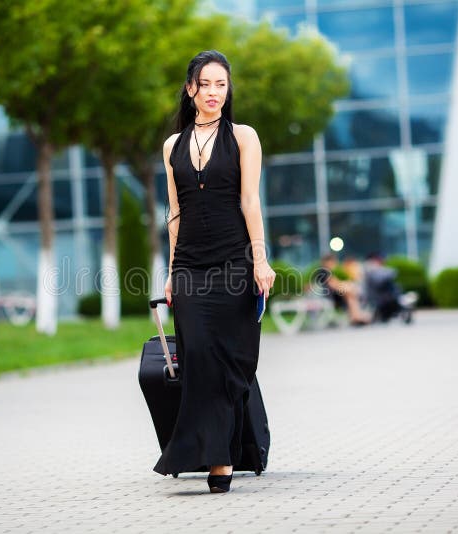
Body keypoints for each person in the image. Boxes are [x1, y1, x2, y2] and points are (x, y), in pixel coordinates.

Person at [153, 50, 276, 493]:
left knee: (230, 361)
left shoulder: (244, 137)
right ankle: (215, 458)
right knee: (201, 358)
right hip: (190, 267)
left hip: (234, 263)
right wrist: (170, 272)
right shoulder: (173, 146)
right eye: (205, 84)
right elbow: (175, 212)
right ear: (190, 89)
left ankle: (229, 450)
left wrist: (260, 259)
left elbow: (250, 202)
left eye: (220, 84)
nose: (213, 92)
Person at [314, 253, 371, 325]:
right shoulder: (324, 271)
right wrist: (348, 286)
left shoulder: (325, 271)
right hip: (329, 297)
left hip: (331, 295)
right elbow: (334, 285)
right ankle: (356, 316)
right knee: (350, 292)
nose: (335, 264)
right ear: (328, 262)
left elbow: (336, 283)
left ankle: (355, 316)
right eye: (333, 261)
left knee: (350, 294)